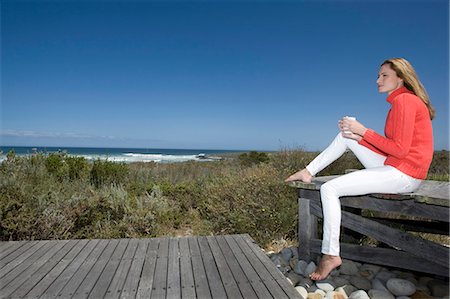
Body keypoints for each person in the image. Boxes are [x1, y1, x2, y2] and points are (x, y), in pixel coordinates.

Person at [285, 58, 435, 281]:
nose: (377, 80)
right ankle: (308, 171)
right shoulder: (402, 101)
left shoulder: (405, 101)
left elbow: (400, 150)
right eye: (378, 75)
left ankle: (330, 254)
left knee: (329, 189)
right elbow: (393, 148)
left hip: (405, 174)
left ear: (401, 78)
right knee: (346, 136)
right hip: (397, 166)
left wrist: (364, 131)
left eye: (384, 75)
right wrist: (357, 135)